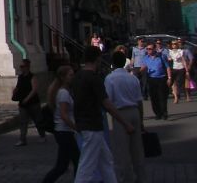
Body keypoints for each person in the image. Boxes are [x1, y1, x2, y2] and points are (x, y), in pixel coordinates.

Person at [72, 45, 135, 183]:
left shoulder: (77, 77)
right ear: (97, 59)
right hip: (92, 125)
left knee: (106, 161)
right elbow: (107, 104)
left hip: (84, 123)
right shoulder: (94, 79)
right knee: (86, 166)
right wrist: (125, 123)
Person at [105, 49, 144, 183]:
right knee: (137, 149)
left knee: (122, 150)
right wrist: (141, 120)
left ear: (113, 63)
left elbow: (108, 100)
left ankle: (126, 178)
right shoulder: (132, 78)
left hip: (120, 113)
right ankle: (140, 177)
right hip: (134, 112)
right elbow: (139, 100)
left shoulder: (110, 78)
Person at [39, 65, 78, 183]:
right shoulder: (63, 93)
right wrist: (76, 127)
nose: (73, 77)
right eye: (70, 75)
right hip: (64, 132)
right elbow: (64, 115)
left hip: (63, 132)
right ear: (63, 77)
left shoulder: (64, 92)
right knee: (74, 161)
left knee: (64, 165)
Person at [11, 59, 45, 145]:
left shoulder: (32, 77)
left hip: (33, 102)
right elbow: (18, 87)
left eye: (22, 66)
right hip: (22, 103)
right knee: (23, 121)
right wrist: (14, 91)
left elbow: (34, 89)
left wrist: (27, 98)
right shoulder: (20, 77)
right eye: (20, 66)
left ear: (27, 67)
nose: (21, 68)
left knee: (38, 120)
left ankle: (42, 136)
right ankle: (22, 139)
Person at [136, 41, 171, 120]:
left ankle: (164, 113)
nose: (148, 50)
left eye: (150, 49)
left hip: (161, 78)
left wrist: (169, 78)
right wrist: (137, 72)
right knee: (154, 97)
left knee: (162, 97)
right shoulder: (146, 58)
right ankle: (158, 113)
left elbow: (168, 67)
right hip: (151, 79)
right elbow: (143, 66)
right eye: (147, 49)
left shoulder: (162, 56)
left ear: (155, 49)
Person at [168, 39, 187, 103]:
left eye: (175, 44)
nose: (174, 45)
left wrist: (187, 70)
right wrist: (169, 59)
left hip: (180, 68)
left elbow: (184, 61)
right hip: (173, 68)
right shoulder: (170, 52)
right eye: (172, 44)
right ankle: (176, 97)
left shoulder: (181, 51)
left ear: (177, 45)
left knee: (179, 83)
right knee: (173, 83)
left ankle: (178, 94)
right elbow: (169, 59)